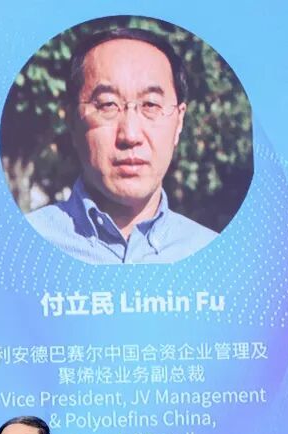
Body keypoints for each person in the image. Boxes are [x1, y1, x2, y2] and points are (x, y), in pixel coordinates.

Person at [26, 27, 216, 264]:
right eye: (107, 105)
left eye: (150, 105)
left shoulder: (215, 256)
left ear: (179, 122)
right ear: (72, 121)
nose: (130, 135)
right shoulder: (22, 246)